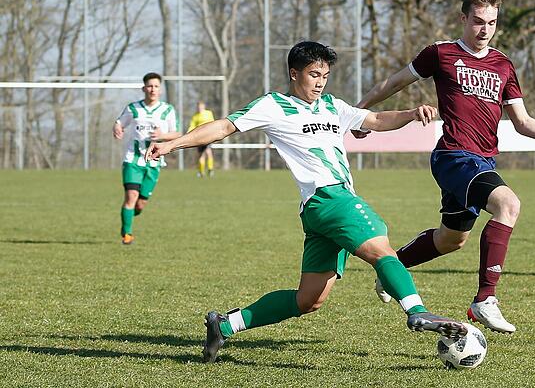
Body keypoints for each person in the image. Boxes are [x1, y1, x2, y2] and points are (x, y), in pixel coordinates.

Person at [145, 41, 467, 363]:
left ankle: (225, 324)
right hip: (330, 197)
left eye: (325, 75)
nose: (320, 81)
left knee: (309, 300)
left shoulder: (332, 106)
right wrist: (175, 144)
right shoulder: (273, 105)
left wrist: (411, 114)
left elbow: (377, 119)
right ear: (294, 73)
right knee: (380, 247)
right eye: (314, 74)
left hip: (318, 212)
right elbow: (225, 127)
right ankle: (418, 312)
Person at [354, 0, 535, 334]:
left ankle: (392, 270)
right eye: (478, 21)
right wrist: (359, 113)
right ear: (464, 18)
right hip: (454, 157)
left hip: (483, 163)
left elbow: (522, 122)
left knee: (451, 240)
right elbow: (394, 82)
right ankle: (485, 300)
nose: (484, 30)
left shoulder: (503, 64)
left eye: (491, 23)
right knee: (508, 205)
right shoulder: (441, 53)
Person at [112, 72, 181, 245]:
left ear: (160, 89)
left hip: (154, 162)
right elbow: (120, 122)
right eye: (150, 86)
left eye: (156, 86)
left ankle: (128, 217)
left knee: (140, 204)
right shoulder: (133, 108)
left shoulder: (168, 110)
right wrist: (117, 127)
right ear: (144, 88)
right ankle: (126, 234)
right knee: (131, 196)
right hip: (133, 160)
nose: (153, 89)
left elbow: (178, 133)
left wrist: (162, 135)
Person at [188, 101, 216, 177]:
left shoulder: (208, 113)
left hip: (208, 135)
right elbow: (192, 126)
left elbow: (212, 122)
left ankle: (210, 169)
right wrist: (189, 132)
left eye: (201, 106)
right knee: (200, 155)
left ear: (204, 106)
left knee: (208, 152)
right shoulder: (195, 116)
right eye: (198, 107)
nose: (199, 108)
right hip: (199, 137)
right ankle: (201, 171)